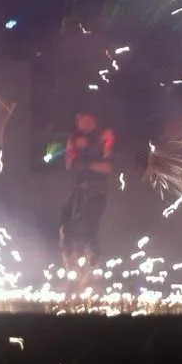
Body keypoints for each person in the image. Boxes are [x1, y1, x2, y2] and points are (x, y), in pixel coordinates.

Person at [59, 112, 114, 270]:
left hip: (96, 190)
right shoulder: (74, 138)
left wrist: (87, 162)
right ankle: (70, 262)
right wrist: (79, 155)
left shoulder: (104, 136)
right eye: (81, 121)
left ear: (94, 122)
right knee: (66, 224)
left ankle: (93, 265)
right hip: (79, 189)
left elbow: (106, 166)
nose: (84, 124)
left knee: (90, 228)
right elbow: (70, 163)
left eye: (87, 121)